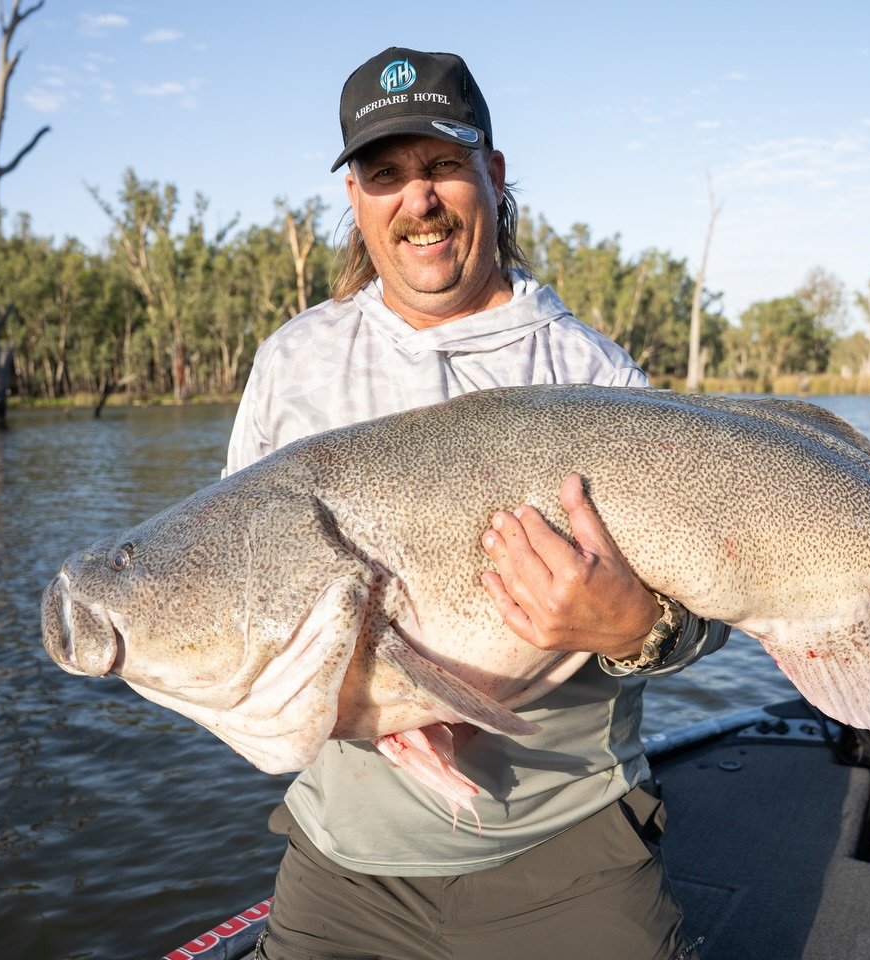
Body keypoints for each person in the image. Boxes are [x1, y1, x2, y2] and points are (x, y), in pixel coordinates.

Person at [225, 47, 728, 960]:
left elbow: (716, 616)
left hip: (570, 849)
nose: (416, 200)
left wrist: (636, 628)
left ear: (491, 177)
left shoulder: (593, 374)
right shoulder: (291, 365)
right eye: (385, 175)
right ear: (356, 201)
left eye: (442, 166)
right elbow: (241, 595)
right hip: (346, 862)